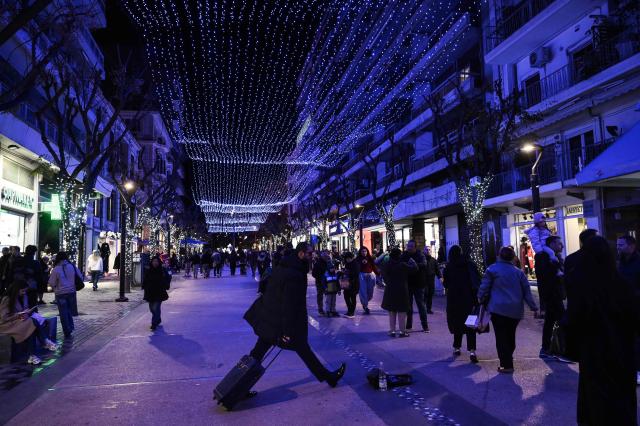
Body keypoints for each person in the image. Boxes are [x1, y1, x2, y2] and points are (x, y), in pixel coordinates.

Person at [243, 242, 346, 388]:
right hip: (279, 321)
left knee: (258, 353)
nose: (312, 256)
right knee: (301, 349)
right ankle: (329, 378)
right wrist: (287, 330)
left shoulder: (285, 266)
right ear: (301, 253)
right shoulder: (295, 274)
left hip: (270, 316)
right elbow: (289, 304)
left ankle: (240, 386)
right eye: (310, 253)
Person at [567, 236, 638, 425]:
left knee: (595, 400)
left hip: (593, 352)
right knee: (621, 398)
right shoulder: (621, 283)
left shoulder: (582, 285)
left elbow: (573, 321)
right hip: (622, 351)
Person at [478, 247, 538, 373]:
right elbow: (527, 291)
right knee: (510, 335)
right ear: (513, 257)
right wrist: (533, 307)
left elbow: (484, 287)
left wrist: (480, 298)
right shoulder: (519, 272)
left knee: (501, 336)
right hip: (515, 309)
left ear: (499, 256)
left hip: (497, 308)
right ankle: (508, 357)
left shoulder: (492, 270)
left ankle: (506, 364)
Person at [0, 280, 58, 365]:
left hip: (19, 321)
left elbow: (24, 310)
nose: (24, 293)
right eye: (22, 291)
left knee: (31, 326)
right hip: (7, 325)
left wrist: (26, 313)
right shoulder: (7, 299)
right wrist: (18, 315)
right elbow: (4, 318)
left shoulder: (24, 297)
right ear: (16, 289)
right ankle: (44, 342)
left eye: (25, 291)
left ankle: (33, 355)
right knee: (32, 322)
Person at [536, 236, 570, 361]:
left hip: (555, 295)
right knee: (562, 321)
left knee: (550, 322)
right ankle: (562, 349)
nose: (562, 246)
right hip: (552, 295)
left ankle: (548, 348)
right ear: (552, 244)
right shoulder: (544, 257)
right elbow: (544, 279)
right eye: (559, 244)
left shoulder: (555, 257)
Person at [442, 245, 479, 363]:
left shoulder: (449, 266)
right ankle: (472, 350)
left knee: (457, 323)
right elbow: (477, 280)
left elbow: (446, 284)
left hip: (454, 299)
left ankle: (456, 347)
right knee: (470, 325)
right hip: (469, 299)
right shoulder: (469, 264)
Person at [616, 235, 640, 385]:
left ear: (631, 246)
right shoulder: (620, 263)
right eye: (617, 245)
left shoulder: (638, 262)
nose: (618, 247)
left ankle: (637, 370)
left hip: (637, 307)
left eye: (621, 245)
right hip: (623, 308)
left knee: (636, 340)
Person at [380, 248, 417, 337]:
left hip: (390, 290)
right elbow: (415, 269)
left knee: (392, 311)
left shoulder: (387, 264)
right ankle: (402, 331)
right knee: (402, 311)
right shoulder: (402, 265)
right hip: (402, 290)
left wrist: (388, 282)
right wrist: (411, 260)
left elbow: (383, 275)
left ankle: (392, 331)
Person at [47, 252, 79, 338]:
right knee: (69, 310)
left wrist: (55, 287)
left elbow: (51, 282)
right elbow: (80, 276)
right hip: (71, 292)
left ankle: (67, 330)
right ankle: (71, 327)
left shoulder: (56, 269)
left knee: (63, 312)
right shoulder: (72, 266)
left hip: (60, 293)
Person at [400, 240, 429, 332]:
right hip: (407, 284)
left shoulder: (420, 255)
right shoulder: (404, 255)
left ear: (415, 247)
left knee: (421, 305)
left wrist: (414, 265)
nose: (409, 248)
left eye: (411, 246)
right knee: (408, 306)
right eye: (408, 246)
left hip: (419, 284)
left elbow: (424, 264)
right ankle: (409, 325)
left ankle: (425, 326)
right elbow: (400, 264)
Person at [142, 256, 170, 330]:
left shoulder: (162, 270)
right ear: (151, 262)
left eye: (156, 261)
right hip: (150, 292)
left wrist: (166, 285)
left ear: (159, 262)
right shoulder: (148, 270)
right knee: (152, 309)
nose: (155, 263)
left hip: (159, 292)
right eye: (154, 261)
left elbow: (168, 277)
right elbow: (145, 280)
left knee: (156, 307)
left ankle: (154, 323)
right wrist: (144, 286)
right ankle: (158, 318)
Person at [356, 247, 378, 315]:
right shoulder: (358, 259)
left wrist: (378, 273)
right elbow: (356, 268)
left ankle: (365, 302)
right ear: (360, 252)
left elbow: (374, 266)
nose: (364, 252)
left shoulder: (370, 258)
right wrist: (361, 263)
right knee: (363, 290)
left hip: (370, 275)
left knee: (370, 292)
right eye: (362, 251)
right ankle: (365, 306)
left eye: (365, 251)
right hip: (361, 275)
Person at [311, 250, 331, 316]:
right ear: (322, 256)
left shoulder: (329, 262)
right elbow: (313, 273)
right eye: (325, 255)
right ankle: (321, 309)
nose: (326, 256)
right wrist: (320, 276)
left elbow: (332, 270)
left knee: (329, 295)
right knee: (320, 295)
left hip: (328, 281)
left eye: (327, 255)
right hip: (320, 282)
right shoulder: (318, 263)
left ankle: (329, 309)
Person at [423, 246, 442, 315]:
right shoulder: (422, 259)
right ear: (424, 250)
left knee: (430, 294)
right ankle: (423, 308)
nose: (428, 251)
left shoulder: (433, 260)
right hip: (424, 280)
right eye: (426, 249)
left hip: (431, 280)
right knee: (425, 294)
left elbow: (437, 270)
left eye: (429, 250)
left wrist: (440, 277)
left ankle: (428, 309)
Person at [341, 252, 359, 318]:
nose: (347, 260)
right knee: (346, 296)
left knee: (353, 297)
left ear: (352, 258)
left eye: (349, 258)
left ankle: (352, 312)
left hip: (353, 283)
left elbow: (355, 274)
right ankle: (349, 311)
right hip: (346, 282)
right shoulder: (347, 264)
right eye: (346, 259)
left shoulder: (355, 264)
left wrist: (347, 272)